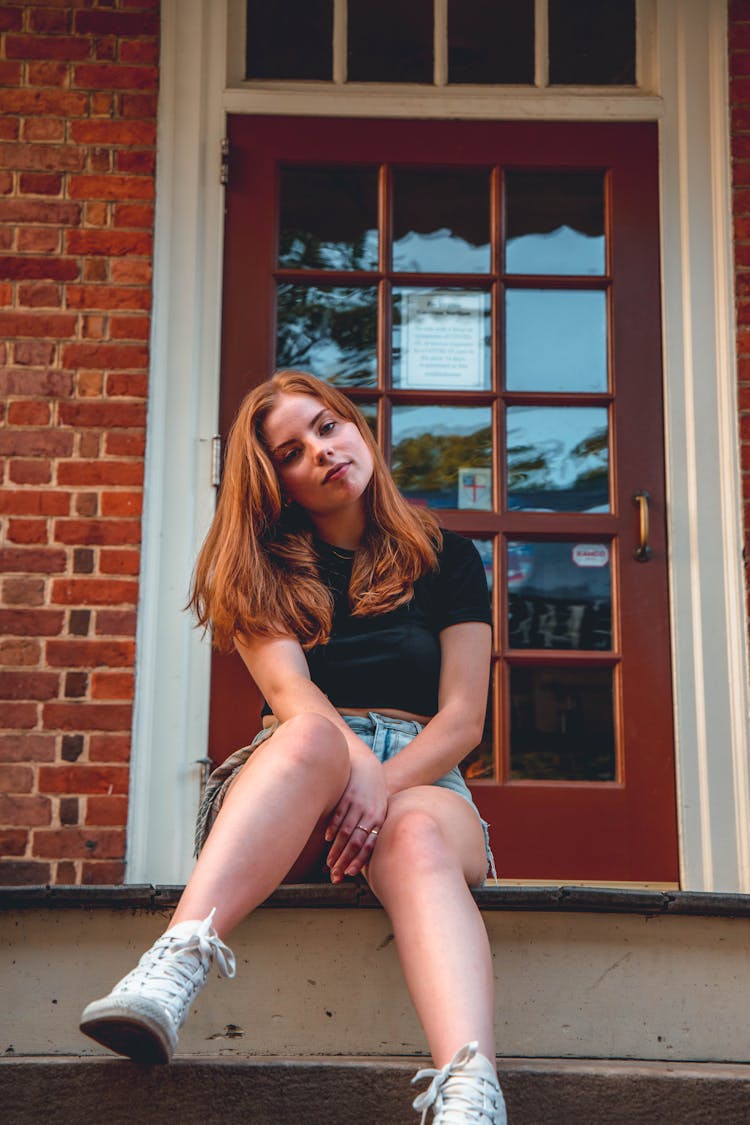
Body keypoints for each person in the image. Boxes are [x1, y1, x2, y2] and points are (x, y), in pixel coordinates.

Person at [80, 370, 507, 1124]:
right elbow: (292, 696)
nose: (321, 451)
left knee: (411, 832)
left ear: (357, 427)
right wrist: (356, 771)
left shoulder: (448, 555)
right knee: (312, 731)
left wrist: (384, 784)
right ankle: (175, 963)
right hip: (298, 775)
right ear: (274, 480)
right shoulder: (258, 565)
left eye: (327, 427)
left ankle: (470, 1090)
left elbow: (463, 720)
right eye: (290, 450)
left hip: (426, 775)